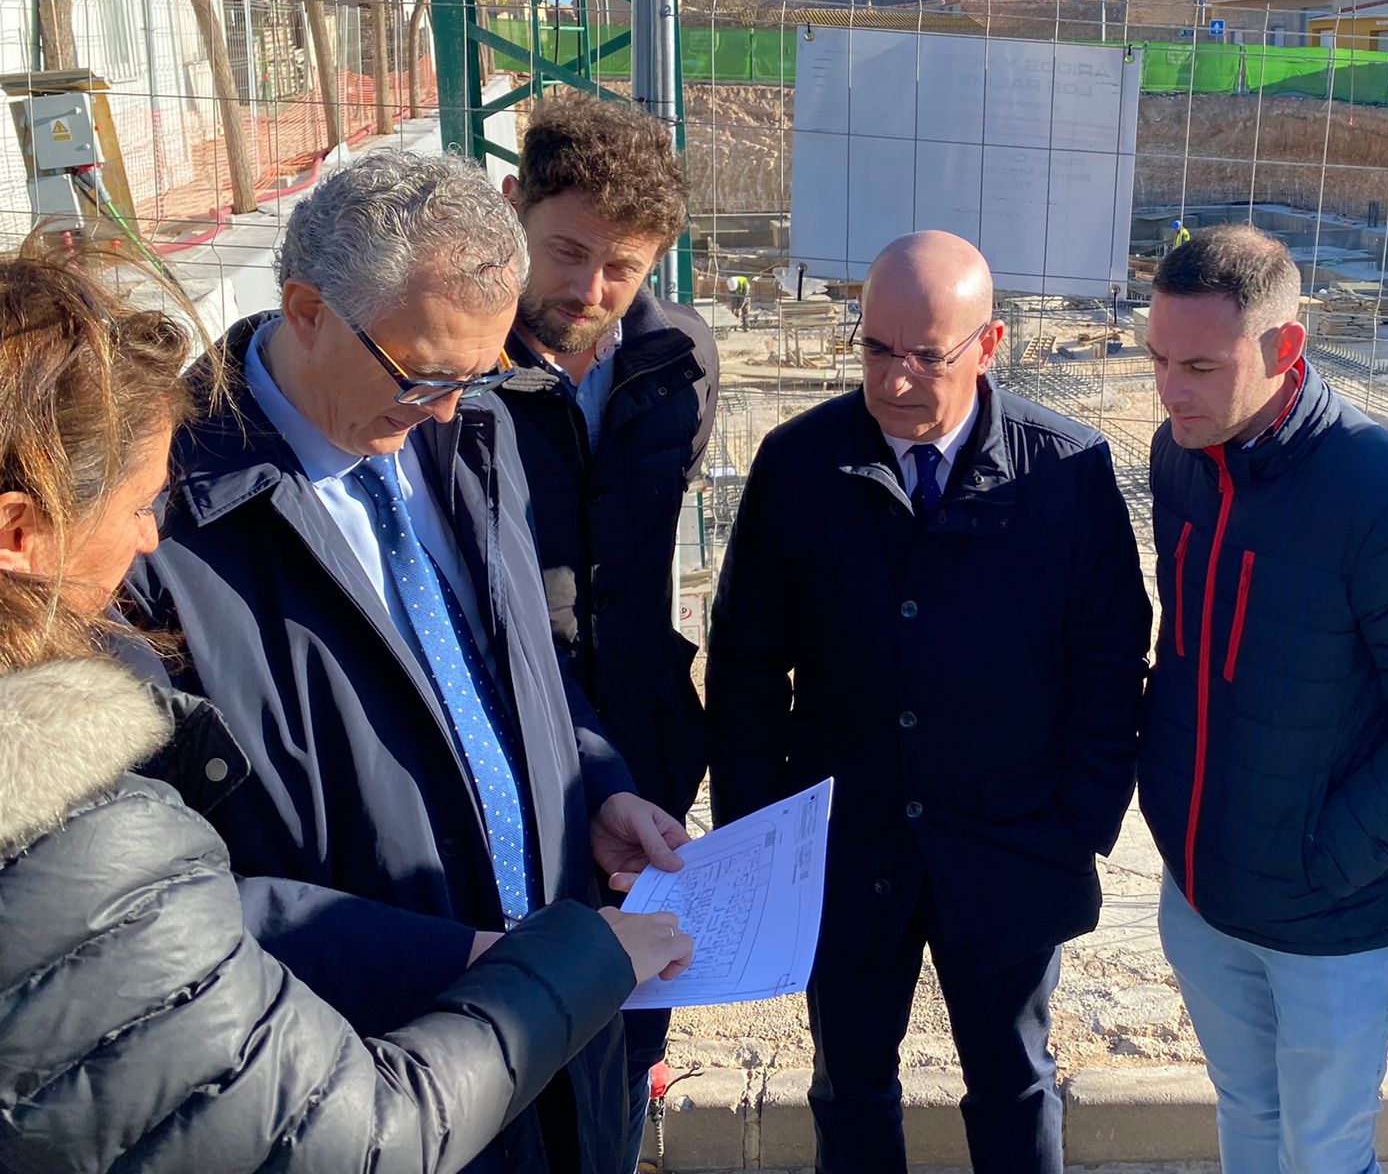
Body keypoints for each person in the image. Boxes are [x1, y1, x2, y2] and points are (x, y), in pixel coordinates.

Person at [0, 247, 695, 1172]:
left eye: (479, 372)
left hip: (545, 1040)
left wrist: (589, 787)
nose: (447, 405)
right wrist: (488, 960)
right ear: (307, 310)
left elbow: (520, 663)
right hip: (373, 1049)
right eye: (422, 375)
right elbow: (173, 909)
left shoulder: (471, 426)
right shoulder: (166, 515)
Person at [708, 230, 1150, 1174]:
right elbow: (746, 666)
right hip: (847, 849)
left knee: (1014, 1082)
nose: (894, 380)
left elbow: (1111, 659)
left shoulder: (1064, 472)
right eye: (876, 348)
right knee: (850, 1087)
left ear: (989, 346)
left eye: (926, 355)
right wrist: (763, 838)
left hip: (1010, 847)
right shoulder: (798, 465)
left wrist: (1078, 823)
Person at [1138, 223, 1388, 1174]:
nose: (1170, 390)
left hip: (1330, 921)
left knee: (1325, 1150)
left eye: (1200, 366)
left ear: (1285, 347)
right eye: (1158, 359)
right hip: (1199, 888)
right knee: (1246, 1113)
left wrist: (1325, 861)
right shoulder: (1181, 455)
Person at [497, 90, 719, 1146]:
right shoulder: (458, 372)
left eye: (622, 267)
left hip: (645, 743)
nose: (590, 291)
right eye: (567, 252)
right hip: (511, 755)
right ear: (513, 208)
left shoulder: (681, 362)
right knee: (519, 1026)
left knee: (634, 1019)